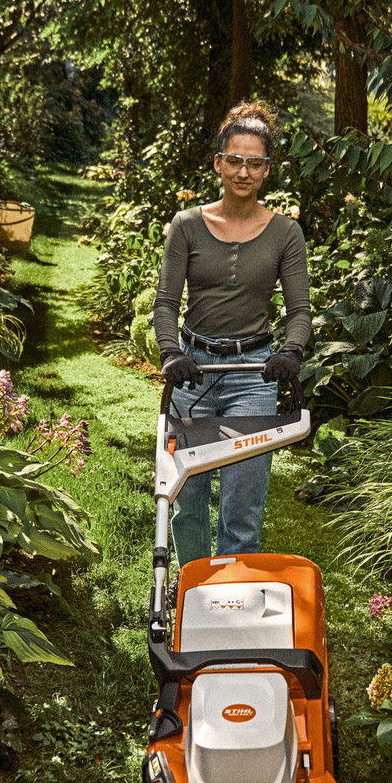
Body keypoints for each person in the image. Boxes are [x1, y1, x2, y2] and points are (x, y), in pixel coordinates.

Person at [153, 101, 311, 563]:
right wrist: (169, 353)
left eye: (255, 163)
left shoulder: (286, 233)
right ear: (219, 163)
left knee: (241, 508)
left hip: (253, 376)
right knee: (186, 500)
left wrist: (290, 351)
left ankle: (229, 601)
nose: (244, 171)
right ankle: (188, 598)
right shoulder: (187, 226)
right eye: (235, 160)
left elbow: (300, 309)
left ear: (267, 171)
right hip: (192, 373)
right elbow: (166, 302)